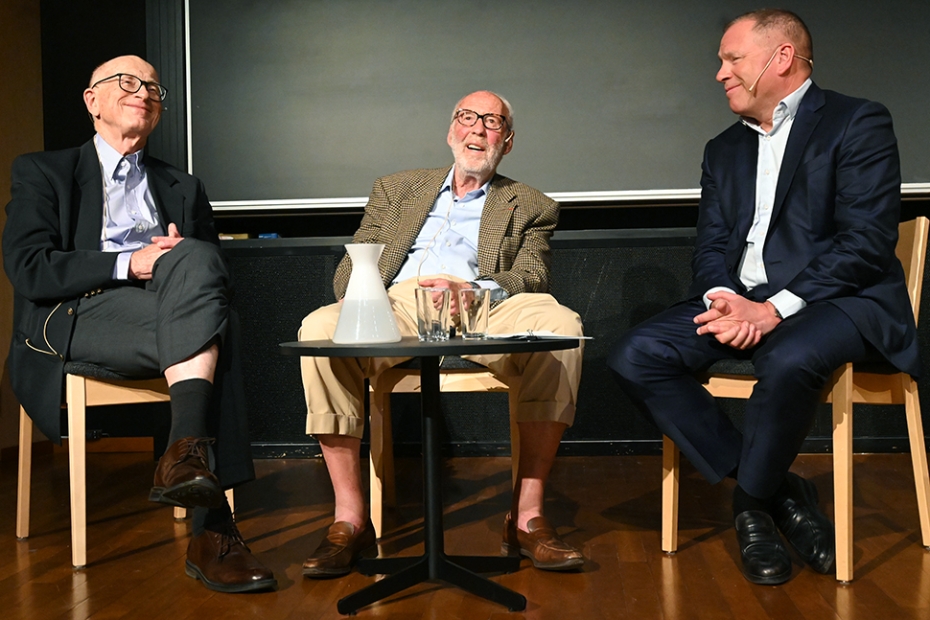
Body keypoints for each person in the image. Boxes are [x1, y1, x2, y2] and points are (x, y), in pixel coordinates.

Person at [608, 9, 918, 585]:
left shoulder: (857, 123)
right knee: (635, 354)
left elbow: (867, 243)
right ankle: (779, 490)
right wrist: (725, 295)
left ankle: (750, 505)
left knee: (789, 355)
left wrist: (775, 308)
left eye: (732, 59)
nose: (720, 73)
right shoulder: (722, 149)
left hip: (839, 301)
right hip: (742, 296)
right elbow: (710, 247)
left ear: (781, 58)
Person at [3, 55, 275, 592]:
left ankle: (186, 464)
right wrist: (132, 262)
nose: (145, 92)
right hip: (76, 312)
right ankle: (213, 529)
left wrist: (176, 260)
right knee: (217, 325)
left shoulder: (182, 185)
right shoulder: (43, 170)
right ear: (92, 100)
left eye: (153, 86)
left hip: (168, 311)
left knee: (199, 266)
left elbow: (212, 278)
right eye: (128, 82)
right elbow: (29, 269)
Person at [298, 90, 585, 576]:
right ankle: (349, 519)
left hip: (482, 304)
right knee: (319, 328)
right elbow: (353, 267)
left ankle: (527, 515)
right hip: (400, 303)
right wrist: (357, 290)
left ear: (507, 141)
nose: (477, 129)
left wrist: (473, 287)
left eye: (491, 122)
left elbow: (532, 277)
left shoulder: (532, 204)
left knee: (561, 324)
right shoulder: (397, 189)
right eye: (467, 118)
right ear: (451, 131)